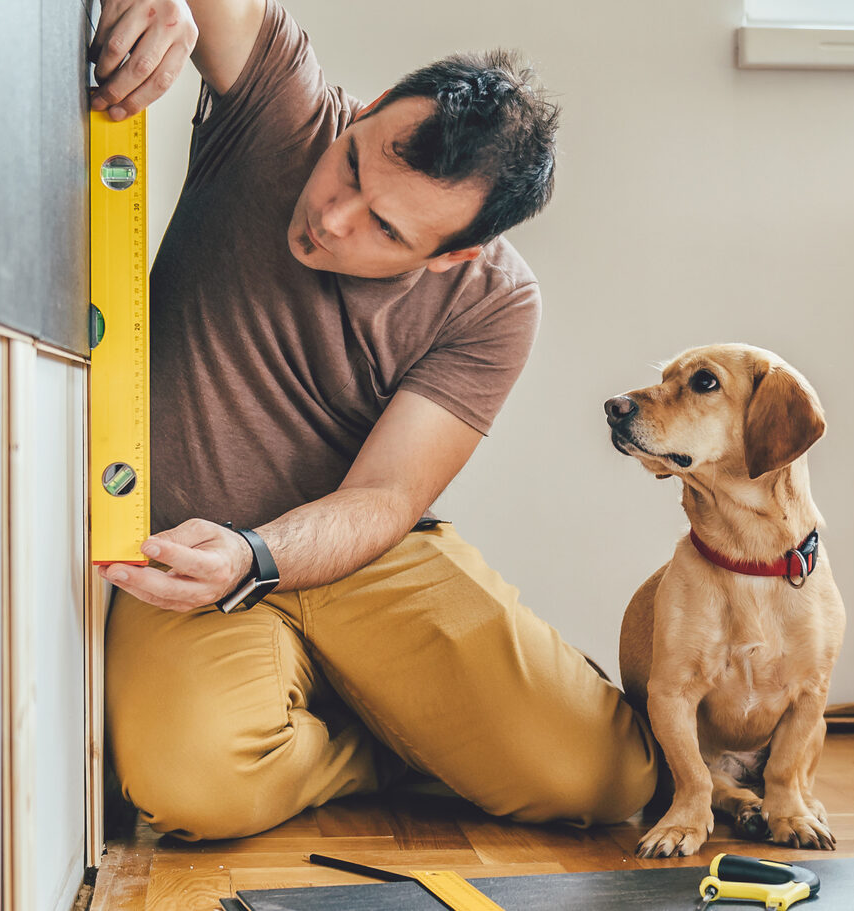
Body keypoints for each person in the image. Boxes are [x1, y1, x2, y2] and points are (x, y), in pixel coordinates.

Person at [88, 0, 659, 841]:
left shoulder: (494, 301)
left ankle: (393, 713)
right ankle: (384, 745)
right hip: (184, 553)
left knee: (611, 776)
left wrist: (262, 554)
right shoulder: (281, 107)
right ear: (371, 105)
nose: (333, 216)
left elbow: (388, 496)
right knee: (193, 788)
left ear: (455, 253)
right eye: (353, 164)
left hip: (359, 551)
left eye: (386, 228)